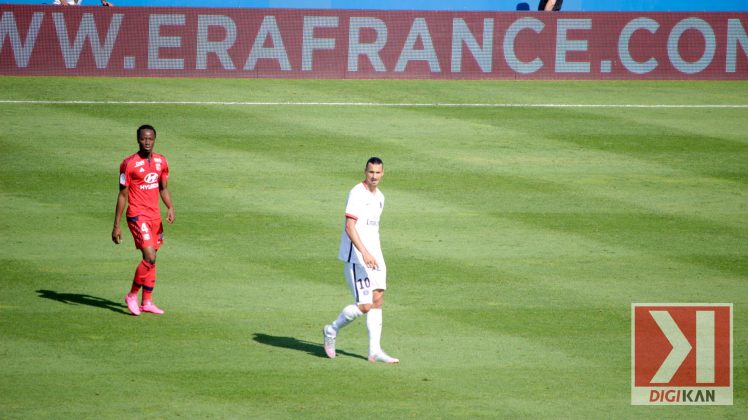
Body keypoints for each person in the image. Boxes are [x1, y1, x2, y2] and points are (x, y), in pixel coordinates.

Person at [323, 157, 399, 364]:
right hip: (357, 257)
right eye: (370, 172)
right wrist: (364, 253)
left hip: (374, 255)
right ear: (365, 172)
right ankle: (331, 330)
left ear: (383, 174)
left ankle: (374, 351)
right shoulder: (357, 193)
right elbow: (350, 227)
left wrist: (374, 254)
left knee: (377, 300)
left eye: (378, 172)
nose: (374, 176)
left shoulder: (381, 197)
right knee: (364, 305)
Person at [112, 125, 175, 316]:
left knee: (152, 261)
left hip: (154, 216)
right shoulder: (129, 164)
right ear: (138, 139)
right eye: (143, 139)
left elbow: (163, 188)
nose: (147, 142)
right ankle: (132, 295)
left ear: (155, 139)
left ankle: (146, 301)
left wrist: (170, 207)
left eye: (150, 138)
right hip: (137, 216)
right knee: (150, 257)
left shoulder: (161, 161)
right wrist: (116, 225)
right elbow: (122, 195)